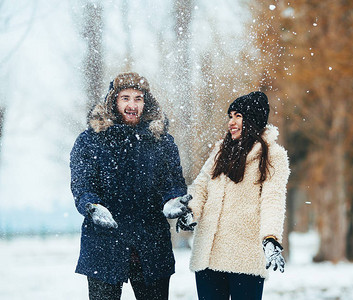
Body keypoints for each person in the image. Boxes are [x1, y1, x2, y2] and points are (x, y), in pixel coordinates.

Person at [70, 72, 187, 300]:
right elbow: (82, 184)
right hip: (105, 245)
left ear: (146, 102)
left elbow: (173, 183)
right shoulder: (91, 140)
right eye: (125, 98)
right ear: (113, 101)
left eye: (138, 98)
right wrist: (92, 206)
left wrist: (174, 200)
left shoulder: (161, 141)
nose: (132, 105)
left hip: (151, 245)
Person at [164, 91, 290, 300]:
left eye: (238, 116)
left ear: (253, 120)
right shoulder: (221, 151)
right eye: (230, 116)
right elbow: (201, 186)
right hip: (208, 255)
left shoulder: (272, 156)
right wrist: (190, 212)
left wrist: (270, 238)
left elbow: (273, 200)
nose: (231, 122)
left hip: (244, 256)